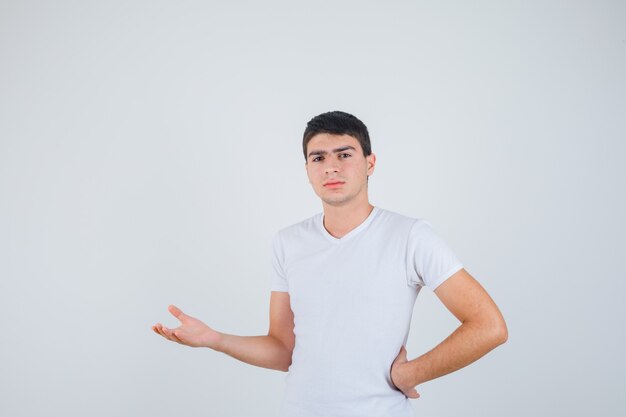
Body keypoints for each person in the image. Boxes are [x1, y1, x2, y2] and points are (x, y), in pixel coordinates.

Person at [152, 111, 508, 417]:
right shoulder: (288, 242)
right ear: (307, 169)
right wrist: (215, 339)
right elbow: (284, 350)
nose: (331, 167)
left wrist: (411, 373)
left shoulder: (411, 236)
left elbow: (489, 325)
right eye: (318, 158)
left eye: (344, 154)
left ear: (370, 163)